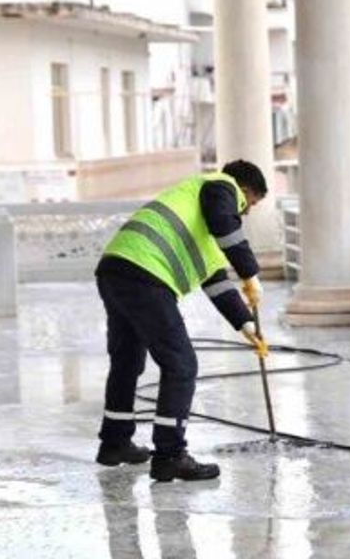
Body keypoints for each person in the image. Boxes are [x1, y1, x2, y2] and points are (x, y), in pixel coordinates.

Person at [94, 159, 270, 482]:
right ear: (244, 190)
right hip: (146, 274)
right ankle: (170, 455)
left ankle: (115, 443)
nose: (245, 213)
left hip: (116, 268)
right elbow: (224, 221)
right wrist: (251, 273)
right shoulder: (220, 187)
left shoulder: (198, 214)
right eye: (251, 204)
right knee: (181, 365)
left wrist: (248, 327)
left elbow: (216, 282)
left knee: (127, 361)